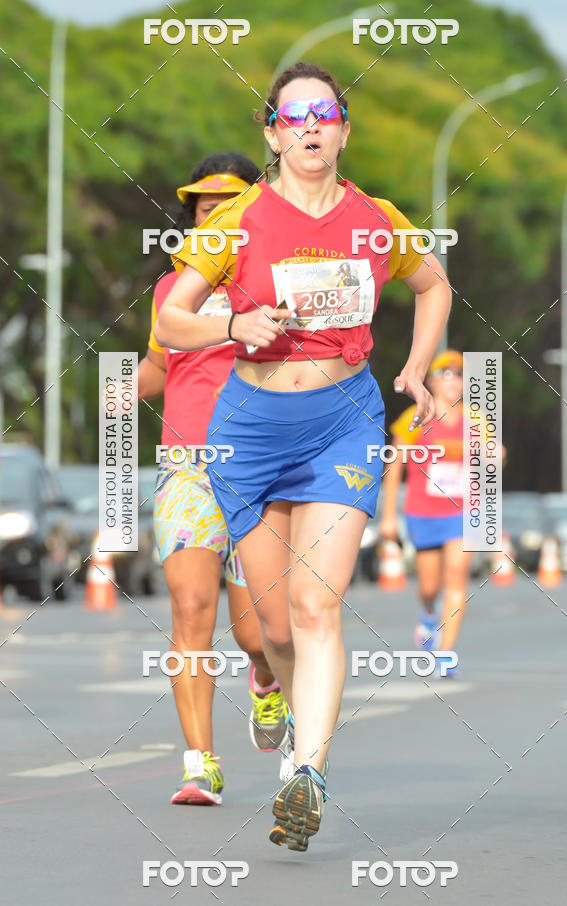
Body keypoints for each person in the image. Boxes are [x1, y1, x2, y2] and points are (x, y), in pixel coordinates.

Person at [155, 62, 451, 849]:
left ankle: (308, 772)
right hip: (249, 426)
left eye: (325, 113)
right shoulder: (236, 222)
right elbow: (172, 326)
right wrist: (230, 328)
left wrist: (416, 368)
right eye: (295, 117)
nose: (311, 127)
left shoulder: (375, 218)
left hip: (343, 420)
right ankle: (279, 696)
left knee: (320, 606)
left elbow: (433, 284)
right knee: (274, 625)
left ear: (343, 130)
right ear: (273, 134)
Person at [138, 152, 289, 807]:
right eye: (203, 208)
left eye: (225, 207)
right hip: (188, 467)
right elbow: (156, 370)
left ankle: (264, 677)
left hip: (261, 465)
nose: (212, 216)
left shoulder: (277, 277)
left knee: (259, 633)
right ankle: (200, 764)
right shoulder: (172, 289)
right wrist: (117, 387)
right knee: (190, 610)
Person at [380, 350, 467, 675]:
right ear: (431, 381)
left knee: (456, 576)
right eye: (445, 375)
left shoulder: (475, 421)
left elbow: (493, 459)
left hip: (461, 513)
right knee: (429, 586)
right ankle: (429, 615)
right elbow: (394, 465)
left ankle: (446, 654)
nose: (453, 382)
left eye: (458, 375)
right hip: (422, 512)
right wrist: (389, 515)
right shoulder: (416, 418)